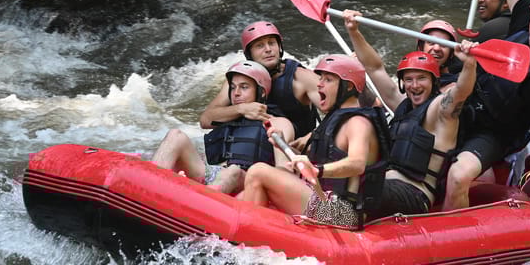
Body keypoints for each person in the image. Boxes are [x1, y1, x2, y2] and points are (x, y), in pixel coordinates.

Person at [443, 0, 530, 211]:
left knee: (458, 176)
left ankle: (448, 233)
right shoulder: (526, 24)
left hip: (493, 133)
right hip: (466, 108)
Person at [343, 9, 479, 217]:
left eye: (421, 78)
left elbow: (461, 92)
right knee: (342, 178)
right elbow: (374, 67)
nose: (414, 85)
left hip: (415, 195)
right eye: (409, 79)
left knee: (358, 189)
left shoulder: (439, 111)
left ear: (433, 82)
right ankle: (323, 218)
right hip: (385, 185)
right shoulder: (403, 105)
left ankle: (332, 220)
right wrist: (353, 31)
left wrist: (469, 64)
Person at [242, 54, 391, 228]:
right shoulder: (335, 119)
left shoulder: (358, 122)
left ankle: (248, 236)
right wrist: (282, 146)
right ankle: (254, 237)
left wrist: (317, 170)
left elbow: (357, 164)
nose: (319, 84)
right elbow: (315, 164)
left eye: (328, 80)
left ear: (348, 86)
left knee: (258, 172)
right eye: (321, 79)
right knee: (248, 189)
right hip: (325, 198)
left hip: (345, 213)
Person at [152, 60, 294, 194]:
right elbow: (205, 120)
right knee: (175, 136)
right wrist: (241, 109)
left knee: (233, 171)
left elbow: (282, 170)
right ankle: (148, 185)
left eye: (244, 87)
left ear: (261, 92)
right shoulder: (227, 115)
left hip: (246, 181)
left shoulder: (278, 123)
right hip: (213, 173)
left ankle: (200, 206)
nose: (236, 93)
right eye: (233, 88)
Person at [199, 21, 321, 150]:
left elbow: (340, 112)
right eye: (260, 45)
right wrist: (242, 109)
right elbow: (206, 120)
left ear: (279, 47)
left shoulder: (301, 78)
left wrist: (312, 136)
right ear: (249, 54)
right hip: (254, 150)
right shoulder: (240, 78)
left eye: (272, 43)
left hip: (295, 151)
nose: (268, 49)